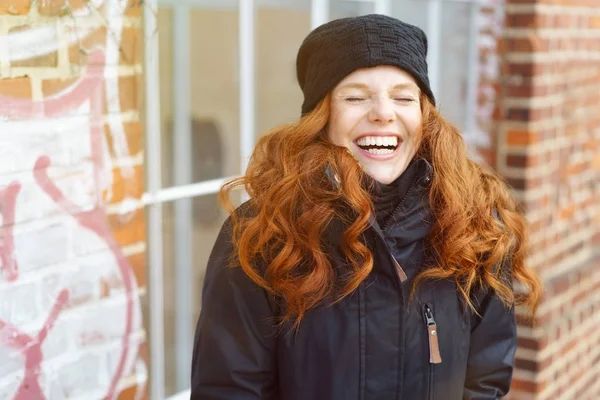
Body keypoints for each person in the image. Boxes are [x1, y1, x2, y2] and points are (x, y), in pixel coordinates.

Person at [190, 14, 542, 400]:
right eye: (355, 97)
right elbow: (229, 389)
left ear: (424, 116)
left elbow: (485, 381)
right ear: (320, 119)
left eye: (403, 97)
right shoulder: (261, 236)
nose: (383, 113)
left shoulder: (473, 228)